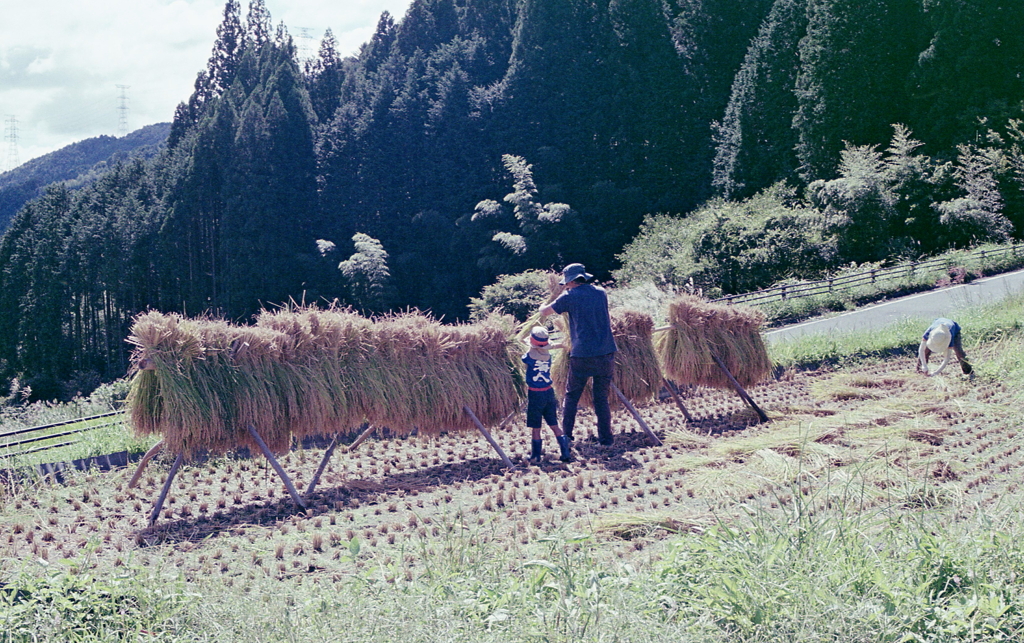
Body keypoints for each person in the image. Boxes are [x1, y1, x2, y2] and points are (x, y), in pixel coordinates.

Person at [540, 263, 617, 445]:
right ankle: (606, 439)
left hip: (583, 354)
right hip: (606, 352)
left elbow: (544, 312)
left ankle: (566, 436)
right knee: (601, 399)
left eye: (566, 282)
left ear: (571, 281)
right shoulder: (601, 292)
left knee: (572, 396)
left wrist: (547, 300)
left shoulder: (569, 296)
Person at [522, 326, 572, 463]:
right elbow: (548, 347)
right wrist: (562, 344)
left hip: (535, 395)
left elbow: (525, 354)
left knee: (536, 427)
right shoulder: (547, 356)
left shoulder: (528, 357)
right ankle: (565, 452)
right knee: (554, 425)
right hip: (549, 393)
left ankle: (536, 456)